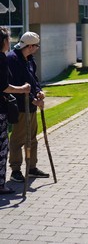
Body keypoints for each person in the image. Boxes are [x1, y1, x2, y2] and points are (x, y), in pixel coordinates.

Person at [7, 31, 48, 183]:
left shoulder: (29, 59)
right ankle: (15, 170)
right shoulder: (12, 59)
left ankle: (31, 167)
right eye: (36, 46)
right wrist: (33, 100)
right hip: (20, 107)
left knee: (32, 138)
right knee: (18, 139)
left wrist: (39, 92)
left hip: (31, 107)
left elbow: (33, 79)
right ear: (30, 46)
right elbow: (16, 85)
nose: (37, 48)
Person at [0, 27, 31, 193]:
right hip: (0, 111)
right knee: (2, 147)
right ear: (3, 41)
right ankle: (0, 184)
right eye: (8, 39)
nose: (9, 42)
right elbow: (4, 87)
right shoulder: (3, 59)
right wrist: (23, 89)